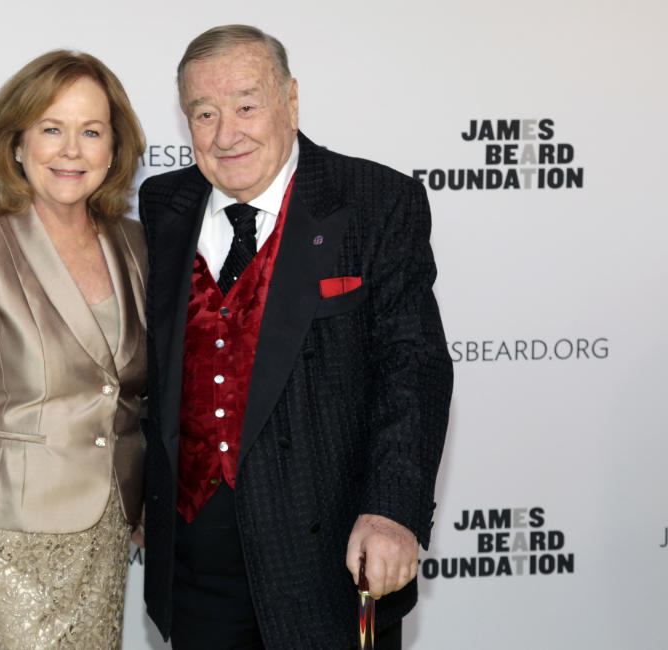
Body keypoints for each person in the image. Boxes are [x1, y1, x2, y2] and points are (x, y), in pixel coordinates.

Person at [138, 25, 453, 649]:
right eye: (204, 113)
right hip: (196, 561)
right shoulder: (161, 205)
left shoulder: (374, 201)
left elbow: (413, 367)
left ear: (292, 100)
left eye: (247, 106)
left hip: (329, 558)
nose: (227, 134)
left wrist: (392, 509)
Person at [0, 50, 147, 650]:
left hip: (106, 536)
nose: (72, 150)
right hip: (7, 546)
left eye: (91, 131)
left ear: (113, 149)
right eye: (52, 128)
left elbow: (137, 390)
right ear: (17, 143)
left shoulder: (135, 244)